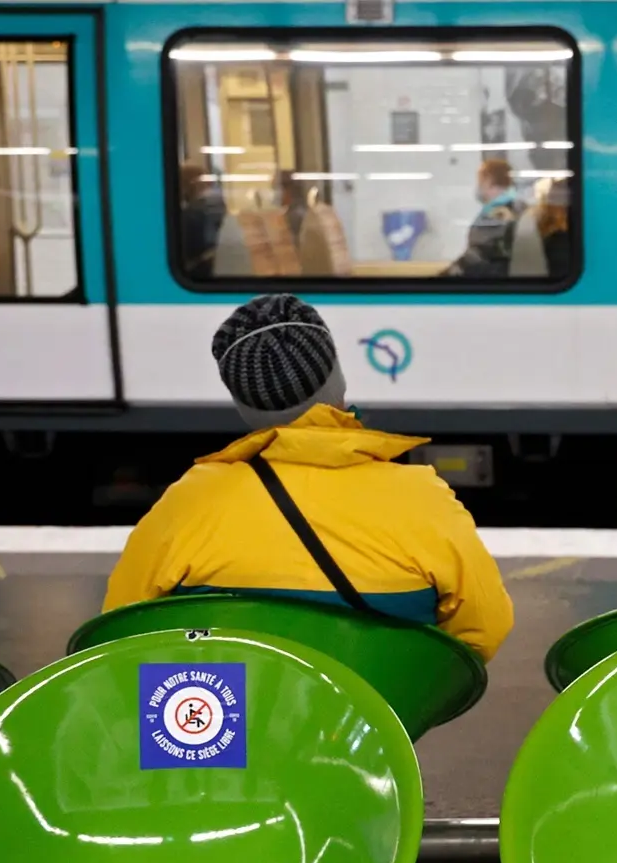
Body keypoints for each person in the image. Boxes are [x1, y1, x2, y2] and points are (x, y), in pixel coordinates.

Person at [102, 293, 513, 662]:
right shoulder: (423, 498)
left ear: (243, 404)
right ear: (336, 374)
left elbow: (119, 632)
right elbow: (483, 630)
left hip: (224, 735)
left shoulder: (187, 503)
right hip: (368, 727)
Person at [444, 159, 519, 278]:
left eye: (480, 182)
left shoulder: (498, 214)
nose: (478, 187)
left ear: (488, 181)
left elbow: (478, 254)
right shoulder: (517, 208)